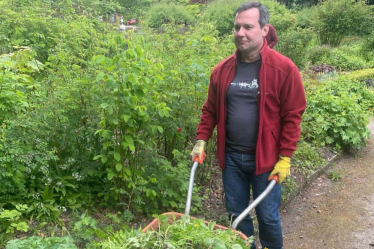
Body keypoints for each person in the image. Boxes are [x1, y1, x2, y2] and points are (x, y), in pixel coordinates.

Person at [190, 2, 306, 249]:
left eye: (248, 27)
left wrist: (285, 157)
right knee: (235, 215)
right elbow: (210, 110)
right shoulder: (221, 71)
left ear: (264, 30)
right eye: (236, 27)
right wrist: (201, 139)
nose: (240, 33)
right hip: (231, 158)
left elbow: (293, 116)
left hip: (266, 160)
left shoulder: (284, 69)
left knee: (268, 217)